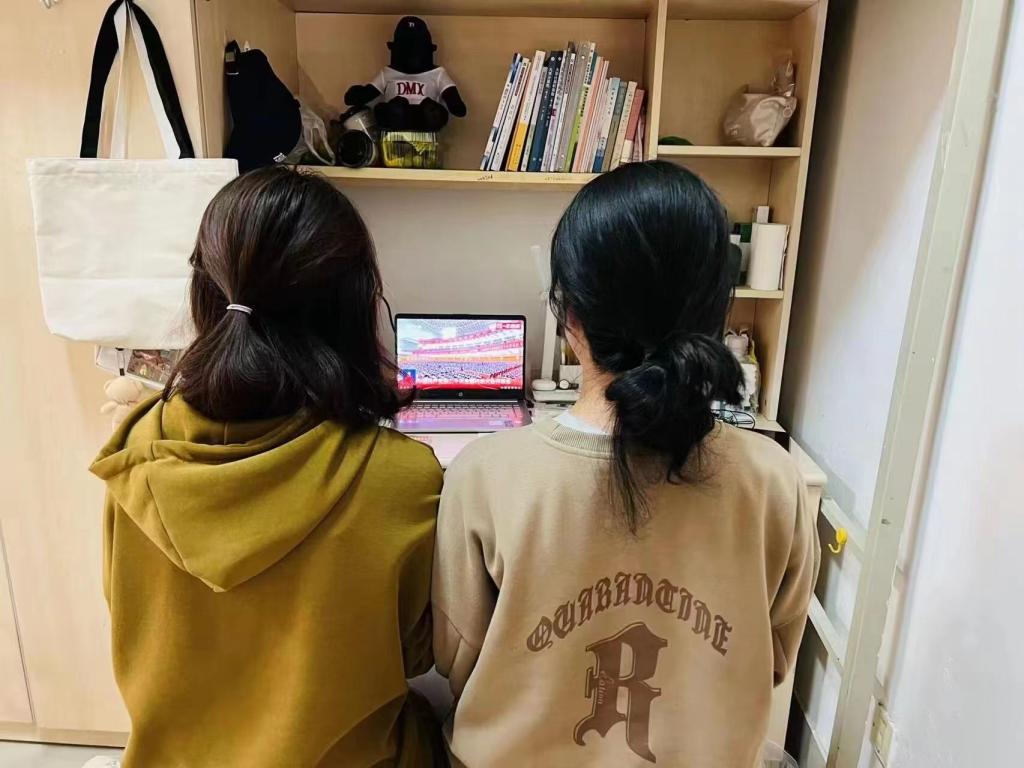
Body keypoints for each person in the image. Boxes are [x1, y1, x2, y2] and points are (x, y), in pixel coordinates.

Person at [432, 161, 820, 767]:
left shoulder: (483, 474)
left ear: (569, 315)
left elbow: (457, 661)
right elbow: (771, 659)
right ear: (717, 312)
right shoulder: (775, 478)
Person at [90, 167, 443, 768]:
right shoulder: (404, 478)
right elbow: (415, 655)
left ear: (205, 291)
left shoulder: (133, 451)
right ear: (354, 304)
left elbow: (127, 619)